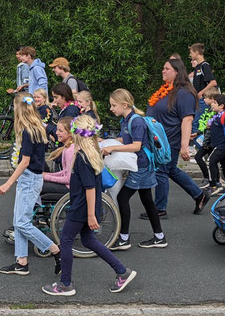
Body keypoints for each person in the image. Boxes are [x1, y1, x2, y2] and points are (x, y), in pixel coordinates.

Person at [42, 115, 137, 296]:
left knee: (66, 241)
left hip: (81, 207)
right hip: (87, 207)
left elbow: (90, 188)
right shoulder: (93, 153)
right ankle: (122, 272)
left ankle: (65, 284)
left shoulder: (82, 157)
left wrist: (91, 215)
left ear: (76, 133)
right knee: (88, 240)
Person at [0, 93, 61, 276]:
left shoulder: (27, 132)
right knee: (19, 222)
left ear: (20, 109)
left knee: (22, 223)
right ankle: (21, 262)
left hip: (30, 178)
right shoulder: (37, 127)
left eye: (15, 107)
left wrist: (8, 183)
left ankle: (55, 249)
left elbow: (24, 161)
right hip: (31, 178)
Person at [141, 58, 210, 220]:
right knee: (170, 170)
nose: (163, 71)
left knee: (162, 171)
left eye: (167, 69)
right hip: (158, 139)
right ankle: (199, 195)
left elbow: (187, 119)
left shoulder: (184, 93)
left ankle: (160, 208)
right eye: (163, 68)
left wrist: (184, 146)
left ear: (177, 72)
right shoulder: (166, 89)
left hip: (169, 139)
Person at [104, 89, 167, 251]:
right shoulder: (126, 119)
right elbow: (126, 140)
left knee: (123, 198)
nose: (111, 108)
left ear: (125, 105)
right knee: (147, 200)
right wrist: (106, 141)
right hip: (142, 164)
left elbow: (136, 146)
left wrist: (112, 147)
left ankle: (124, 238)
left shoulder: (136, 121)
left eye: (114, 105)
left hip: (142, 165)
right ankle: (159, 237)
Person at [191, 87, 218, 188]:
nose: (204, 100)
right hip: (206, 139)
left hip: (210, 140)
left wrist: (206, 142)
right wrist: (197, 133)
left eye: (205, 98)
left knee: (207, 159)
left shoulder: (215, 112)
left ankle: (212, 180)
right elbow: (204, 125)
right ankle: (211, 179)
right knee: (208, 160)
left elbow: (210, 127)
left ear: (212, 99)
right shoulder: (208, 110)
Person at [41, 116, 74, 196]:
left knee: (37, 185)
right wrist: (46, 174)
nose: (56, 133)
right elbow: (65, 172)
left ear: (70, 133)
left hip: (70, 188)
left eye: (60, 131)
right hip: (69, 185)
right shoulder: (67, 148)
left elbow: (68, 179)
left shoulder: (70, 151)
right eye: (57, 130)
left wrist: (46, 177)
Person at [189, 43, 218, 134]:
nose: (190, 55)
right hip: (197, 99)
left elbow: (213, 82)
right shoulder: (197, 66)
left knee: (197, 123)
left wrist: (201, 92)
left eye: (191, 52)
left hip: (203, 100)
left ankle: (197, 145)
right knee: (194, 122)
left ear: (197, 52)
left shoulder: (205, 65)